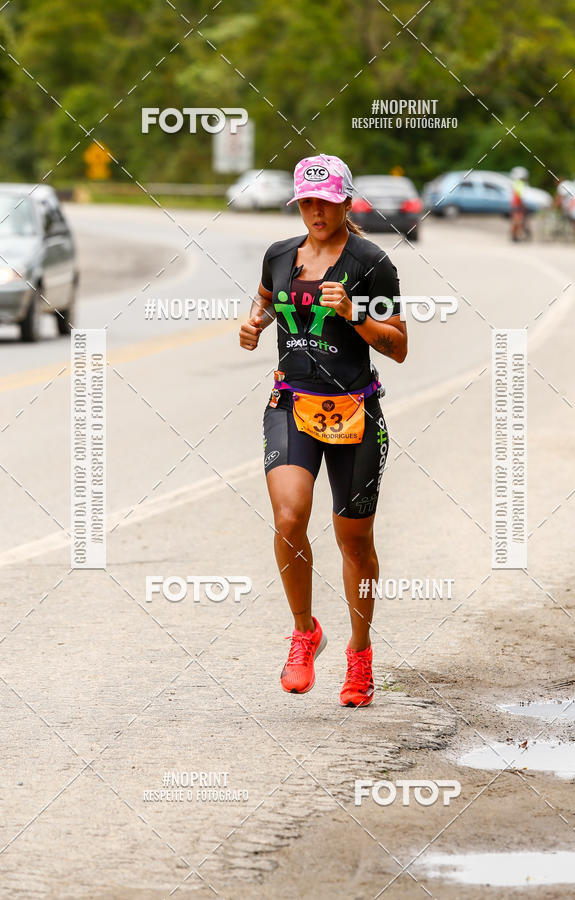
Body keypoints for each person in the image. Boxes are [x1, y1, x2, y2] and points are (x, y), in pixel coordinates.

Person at [239, 153, 408, 707]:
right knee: (289, 516)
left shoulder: (372, 262)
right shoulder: (280, 256)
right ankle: (304, 632)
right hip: (291, 402)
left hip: (355, 411)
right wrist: (253, 324)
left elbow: (399, 346)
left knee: (353, 540)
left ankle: (359, 653)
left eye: (325, 201)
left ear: (345, 202)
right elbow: (264, 304)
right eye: (306, 202)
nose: (315, 211)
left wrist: (356, 315)